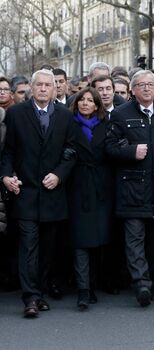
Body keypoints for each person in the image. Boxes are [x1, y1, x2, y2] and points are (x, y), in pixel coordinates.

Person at [0, 69, 77, 317]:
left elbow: (71, 150)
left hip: (53, 193)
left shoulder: (65, 116)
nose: (44, 89)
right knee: (28, 246)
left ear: (55, 89)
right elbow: (8, 151)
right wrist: (6, 177)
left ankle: (40, 292)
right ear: (31, 88)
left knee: (48, 248)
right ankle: (30, 297)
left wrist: (59, 174)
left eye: (49, 85)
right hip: (26, 192)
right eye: (39, 85)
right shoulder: (16, 114)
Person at [105, 70, 154, 307]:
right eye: (141, 85)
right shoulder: (120, 114)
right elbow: (109, 148)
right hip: (132, 189)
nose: (146, 88)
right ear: (132, 90)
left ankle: (152, 280)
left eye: (150, 85)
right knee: (134, 239)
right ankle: (141, 283)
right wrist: (130, 151)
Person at [67, 87, 113, 310]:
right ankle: (83, 290)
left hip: (101, 188)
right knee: (80, 241)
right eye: (81, 100)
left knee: (98, 241)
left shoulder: (107, 125)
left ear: (97, 105)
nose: (85, 103)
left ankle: (93, 284)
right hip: (77, 188)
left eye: (90, 100)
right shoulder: (69, 124)